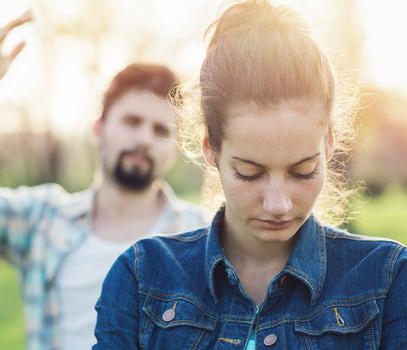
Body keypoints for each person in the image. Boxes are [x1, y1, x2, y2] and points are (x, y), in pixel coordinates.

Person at [94, 1, 407, 348]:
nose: (278, 204)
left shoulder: (388, 280)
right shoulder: (141, 277)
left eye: (303, 172)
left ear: (330, 143)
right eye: (249, 173)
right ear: (211, 147)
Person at [0, 11, 205, 350]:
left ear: (173, 151)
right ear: (98, 130)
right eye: (131, 121)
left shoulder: (200, 236)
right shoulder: (43, 219)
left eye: (160, 130)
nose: (144, 138)